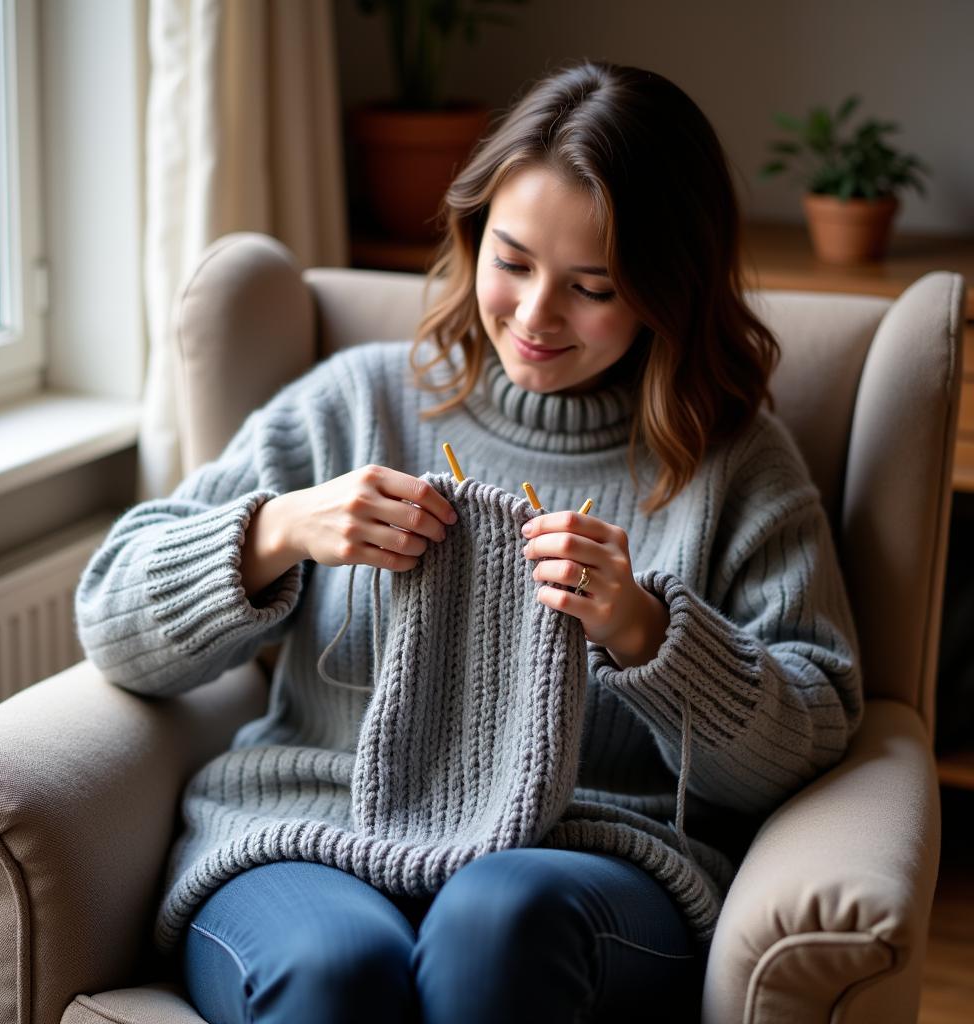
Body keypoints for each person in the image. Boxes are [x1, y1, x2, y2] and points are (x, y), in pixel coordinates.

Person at [76, 61, 862, 1024]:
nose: (534, 317)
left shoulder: (732, 464)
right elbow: (108, 614)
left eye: (593, 286)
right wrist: (278, 532)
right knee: (334, 973)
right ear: (472, 234)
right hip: (309, 837)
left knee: (497, 922)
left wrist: (648, 631)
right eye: (513, 260)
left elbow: (817, 733)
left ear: (669, 290)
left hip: (588, 864)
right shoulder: (355, 400)